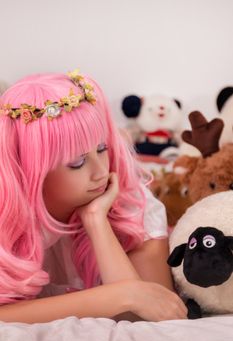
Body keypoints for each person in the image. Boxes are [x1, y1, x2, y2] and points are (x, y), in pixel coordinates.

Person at [0, 69, 187, 323]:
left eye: (102, 149)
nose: (101, 172)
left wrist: (96, 222)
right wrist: (119, 296)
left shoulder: (132, 204)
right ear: (31, 170)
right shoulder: (8, 222)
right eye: (77, 163)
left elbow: (158, 315)